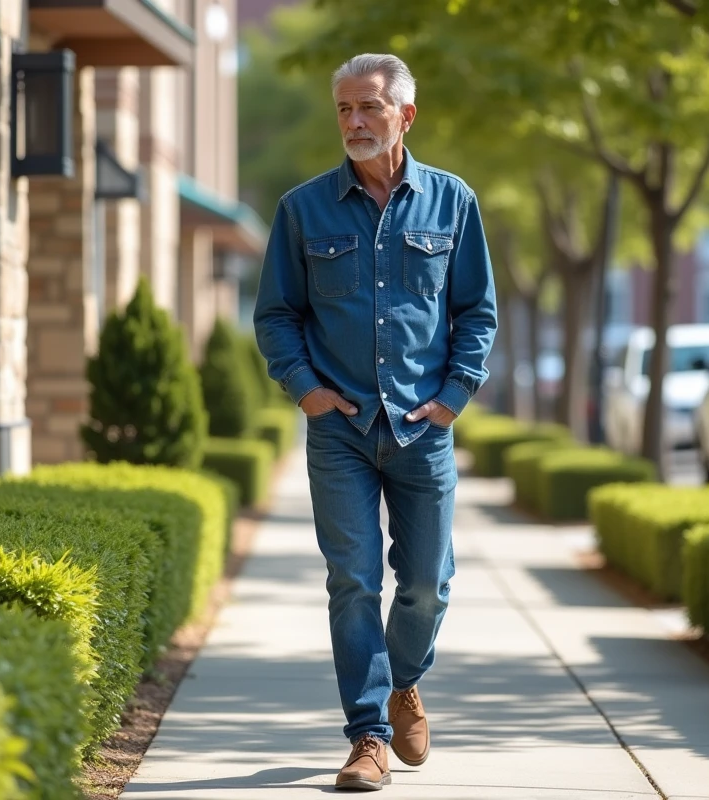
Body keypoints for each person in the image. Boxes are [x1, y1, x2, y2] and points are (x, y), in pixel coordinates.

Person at [253, 53, 498, 792]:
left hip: (424, 428)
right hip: (342, 432)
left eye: (369, 109)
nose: (354, 123)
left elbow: (476, 313)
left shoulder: (453, 203)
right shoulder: (303, 210)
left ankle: (404, 681)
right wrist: (307, 391)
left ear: (405, 116)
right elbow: (276, 315)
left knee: (428, 583)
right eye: (344, 111)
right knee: (353, 582)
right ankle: (368, 737)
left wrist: (455, 396)